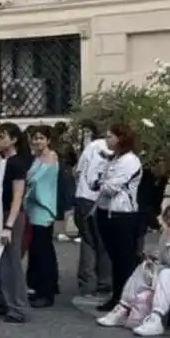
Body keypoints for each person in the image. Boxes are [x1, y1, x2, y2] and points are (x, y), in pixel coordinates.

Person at [96, 200, 170, 336]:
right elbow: (162, 257)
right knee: (145, 268)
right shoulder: (167, 232)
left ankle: (156, 317)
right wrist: (152, 260)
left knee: (167, 274)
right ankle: (123, 307)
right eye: (168, 219)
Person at [94, 123, 144, 312]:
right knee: (115, 258)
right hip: (106, 211)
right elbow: (99, 181)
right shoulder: (114, 159)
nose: (107, 140)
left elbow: (111, 187)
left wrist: (101, 182)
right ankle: (117, 296)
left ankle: (125, 299)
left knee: (124, 259)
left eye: (110, 136)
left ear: (121, 139)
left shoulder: (129, 161)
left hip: (122, 213)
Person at [0, 122, 32, 322]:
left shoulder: (17, 163)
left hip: (10, 215)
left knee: (11, 262)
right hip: (0, 213)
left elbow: (18, 196)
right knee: (0, 262)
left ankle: (18, 307)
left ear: (13, 139)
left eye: (2, 137)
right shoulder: (5, 162)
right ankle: (5, 302)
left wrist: (9, 226)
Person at [73, 122, 113, 297]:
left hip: (85, 196)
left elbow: (79, 170)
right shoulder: (122, 152)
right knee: (103, 241)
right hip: (105, 199)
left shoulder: (93, 146)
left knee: (88, 240)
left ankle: (87, 284)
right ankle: (104, 282)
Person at [24, 125, 60, 308]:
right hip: (33, 208)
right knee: (38, 251)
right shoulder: (36, 158)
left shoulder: (51, 157)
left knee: (42, 252)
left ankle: (46, 292)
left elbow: (35, 181)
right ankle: (42, 287)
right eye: (34, 138)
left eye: (41, 138)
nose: (37, 141)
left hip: (42, 208)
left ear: (48, 140)